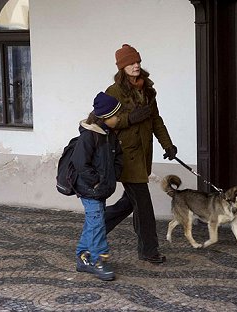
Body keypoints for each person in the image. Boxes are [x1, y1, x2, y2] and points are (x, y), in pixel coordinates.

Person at [104, 44, 178, 264]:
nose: (135, 66)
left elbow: (156, 120)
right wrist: (129, 119)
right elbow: (104, 121)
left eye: (137, 62)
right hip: (126, 158)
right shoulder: (114, 91)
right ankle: (149, 250)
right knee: (144, 206)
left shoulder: (147, 89)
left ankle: (96, 227)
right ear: (122, 67)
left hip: (143, 155)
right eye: (130, 63)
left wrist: (168, 145)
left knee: (128, 203)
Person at [73, 92, 123, 281]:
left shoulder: (108, 134)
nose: (119, 118)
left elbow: (118, 156)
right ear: (106, 116)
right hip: (90, 189)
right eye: (116, 115)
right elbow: (80, 163)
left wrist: (114, 174)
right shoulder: (89, 136)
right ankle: (98, 260)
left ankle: (82, 256)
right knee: (97, 223)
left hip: (101, 188)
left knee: (94, 221)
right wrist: (96, 181)